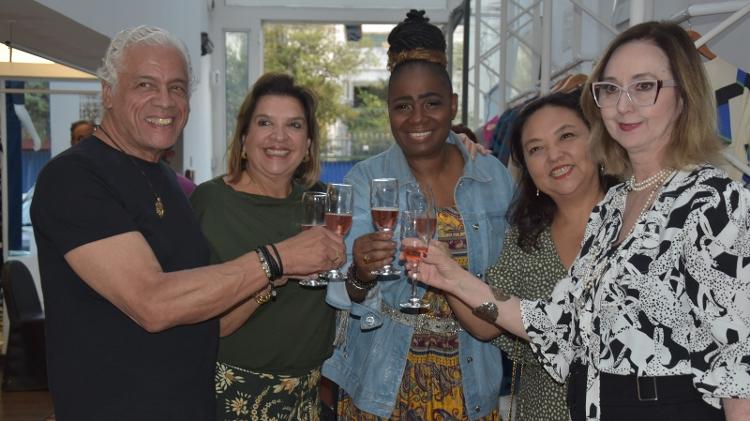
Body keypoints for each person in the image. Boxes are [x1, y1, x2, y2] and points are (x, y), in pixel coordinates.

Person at [415, 21, 750, 421]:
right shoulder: (613, 209)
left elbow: (741, 364)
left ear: (684, 97)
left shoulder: (712, 200)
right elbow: (558, 327)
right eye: (610, 89)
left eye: (644, 86)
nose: (624, 105)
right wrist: (451, 277)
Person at [30, 25, 344, 421]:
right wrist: (276, 259)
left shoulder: (165, 180)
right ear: (108, 92)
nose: (165, 101)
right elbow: (152, 302)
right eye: (145, 84)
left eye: (177, 87)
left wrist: (273, 279)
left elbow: (203, 306)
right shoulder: (74, 177)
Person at [323, 10, 515, 421]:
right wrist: (360, 270)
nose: (418, 118)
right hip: (382, 386)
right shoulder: (365, 180)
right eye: (403, 106)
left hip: (473, 383)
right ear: (388, 110)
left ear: (453, 104)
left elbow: (514, 277)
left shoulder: (493, 177)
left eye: (431, 103)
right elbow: (344, 293)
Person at [191, 72, 336, 420]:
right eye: (265, 122)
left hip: (308, 400)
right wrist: (272, 274)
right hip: (231, 397)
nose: (279, 137)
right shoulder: (210, 203)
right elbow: (200, 324)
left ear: (308, 145)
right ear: (244, 138)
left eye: (295, 125)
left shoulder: (323, 205)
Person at [482, 89, 618, 421]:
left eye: (567, 136)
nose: (554, 156)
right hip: (542, 411)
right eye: (536, 149)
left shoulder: (636, 222)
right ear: (528, 169)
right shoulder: (527, 237)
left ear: (597, 142)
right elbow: (486, 323)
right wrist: (446, 271)